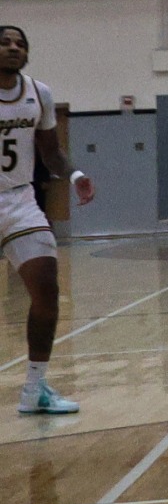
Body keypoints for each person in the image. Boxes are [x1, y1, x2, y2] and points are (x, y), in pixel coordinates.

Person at [0, 25, 94, 415]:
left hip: (19, 201)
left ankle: (34, 390)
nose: (13, 48)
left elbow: (51, 152)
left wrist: (75, 175)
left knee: (47, 290)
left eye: (20, 44)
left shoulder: (39, 93)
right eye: (5, 42)